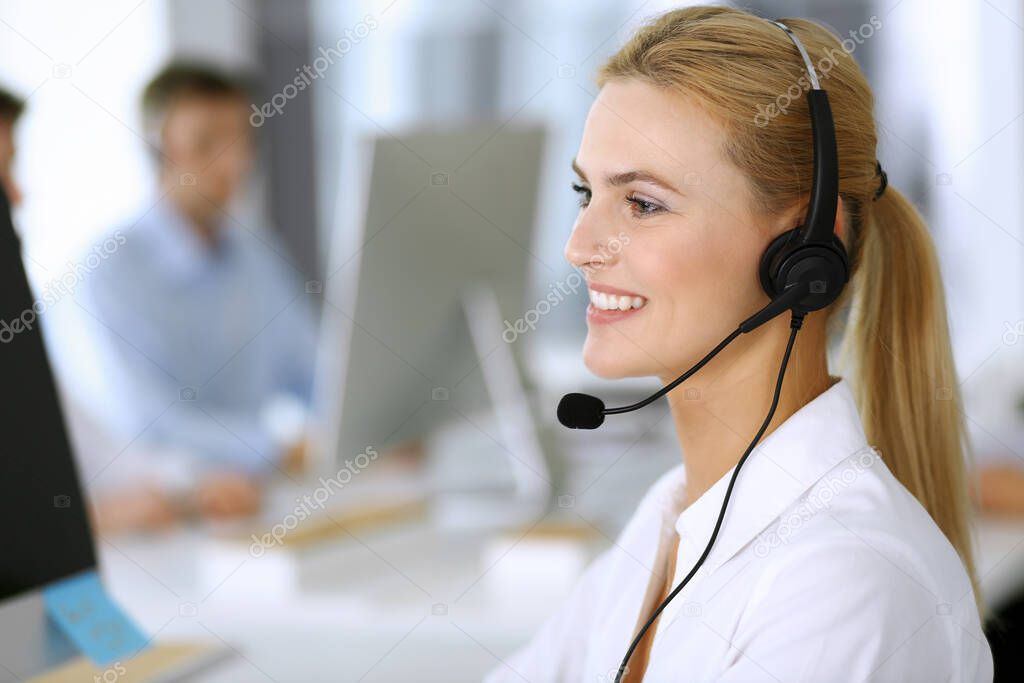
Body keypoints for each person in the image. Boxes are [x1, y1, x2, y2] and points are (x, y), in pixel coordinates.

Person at [486, 7, 991, 682]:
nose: (578, 247)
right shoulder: (671, 516)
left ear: (806, 249)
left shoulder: (841, 584)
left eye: (642, 203)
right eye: (587, 191)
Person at [78, 62, 317, 489]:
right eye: (207, 143)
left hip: (258, 496)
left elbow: (315, 370)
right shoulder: (111, 270)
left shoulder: (258, 255)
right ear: (158, 148)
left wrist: (370, 428)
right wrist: (275, 448)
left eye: (242, 140)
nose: (234, 162)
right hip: (164, 507)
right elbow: (153, 424)